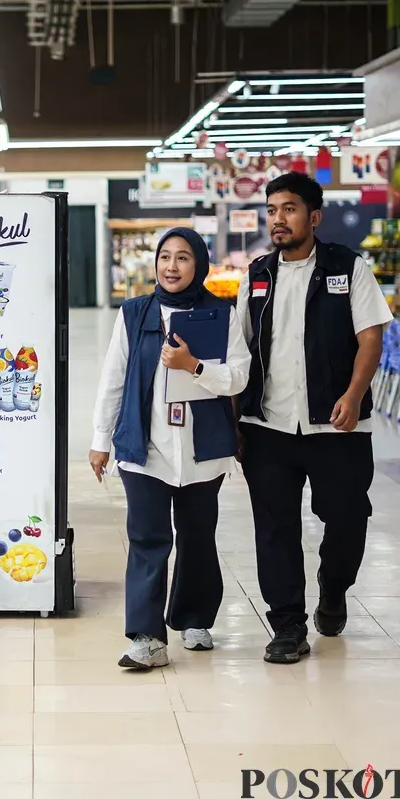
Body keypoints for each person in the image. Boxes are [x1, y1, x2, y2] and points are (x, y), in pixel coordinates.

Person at [236, 172, 393, 665]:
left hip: (338, 425)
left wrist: (354, 394)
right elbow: (240, 351)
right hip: (268, 426)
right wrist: (233, 419)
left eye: (289, 209)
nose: (278, 219)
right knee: (275, 528)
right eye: (272, 210)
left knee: (348, 517)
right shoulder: (257, 275)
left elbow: (371, 338)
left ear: (315, 216)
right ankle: (287, 626)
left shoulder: (348, 267)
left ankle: (334, 584)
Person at [90, 228, 251, 669]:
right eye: (165, 257)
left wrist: (194, 366)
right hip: (145, 447)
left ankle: (194, 618)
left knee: (197, 537)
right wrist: (100, 440)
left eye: (183, 257)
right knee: (147, 538)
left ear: (199, 264)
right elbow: (113, 380)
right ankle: (146, 637)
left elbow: (239, 376)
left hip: (203, 450)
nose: (172, 266)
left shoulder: (221, 314)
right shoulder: (134, 313)